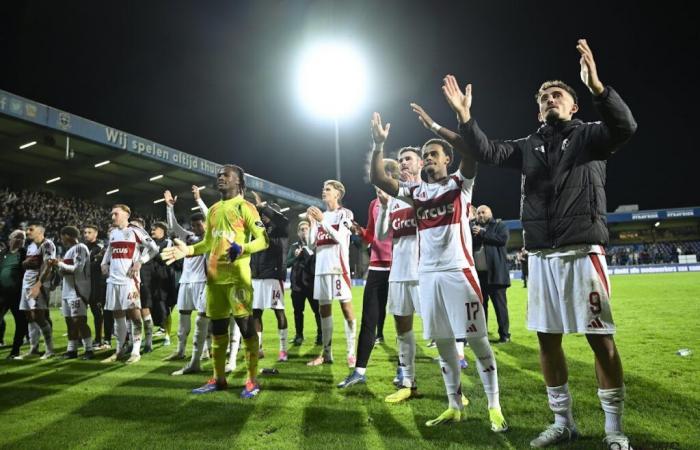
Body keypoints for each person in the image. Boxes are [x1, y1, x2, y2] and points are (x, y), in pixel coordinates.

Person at [442, 39, 637, 448]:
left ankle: (614, 429)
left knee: (600, 339)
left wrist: (598, 88)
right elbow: (487, 150)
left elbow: (626, 127)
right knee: (548, 340)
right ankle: (563, 421)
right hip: (542, 256)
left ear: (573, 105)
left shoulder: (590, 137)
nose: (551, 99)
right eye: (545, 97)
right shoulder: (529, 146)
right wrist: (465, 119)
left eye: (558, 95)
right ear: (539, 110)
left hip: (583, 251)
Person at [370, 111, 507, 432]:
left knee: (477, 341)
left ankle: (494, 406)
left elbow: (471, 149)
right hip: (428, 276)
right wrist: (378, 145)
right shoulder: (415, 193)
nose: (429, 159)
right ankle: (453, 405)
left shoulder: (461, 184)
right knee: (444, 345)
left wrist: (435, 127)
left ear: (447, 159)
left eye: (434, 155)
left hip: (459, 271)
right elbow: (379, 179)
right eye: (426, 155)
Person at [161, 164, 269, 399]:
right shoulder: (213, 210)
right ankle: (219, 378)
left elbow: (263, 240)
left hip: (238, 280)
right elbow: (208, 244)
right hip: (214, 281)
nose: (220, 177)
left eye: (225, 175)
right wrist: (187, 251)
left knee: (246, 328)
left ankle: (252, 380)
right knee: (216, 330)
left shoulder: (245, 207)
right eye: (218, 175)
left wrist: (243, 248)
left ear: (238, 181)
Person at [337, 160, 398, 389]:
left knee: (404, 322)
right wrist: (359, 231)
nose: (376, 183)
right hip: (376, 268)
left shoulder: (405, 201)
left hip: (399, 268)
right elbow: (371, 237)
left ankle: (403, 371)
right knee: (369, 320)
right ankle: (359, 372)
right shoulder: (373, 204)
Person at [376, 145, 424, 403]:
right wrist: (384, 206)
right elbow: (383, 235)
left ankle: (454, 390)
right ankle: (409, 383)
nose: (403, 163)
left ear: (419, 164)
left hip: (424, 272)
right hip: (398, 273)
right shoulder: (393, 199)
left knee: (439, 333)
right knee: (402, 330)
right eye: (401, 160)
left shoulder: (428, 192)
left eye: (409, 159)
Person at [305, 180, 357, 368]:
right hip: (321, 269)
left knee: (346, 308)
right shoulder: (322, 216)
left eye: (328, 189)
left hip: (338, 268)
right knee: (324, 310)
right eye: (323, 188)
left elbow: (341, 239)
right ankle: (327, 354)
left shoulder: (345, 214)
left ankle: (351, 353)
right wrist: (312, 224)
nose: (324, 191)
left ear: (337, 194)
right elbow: (312, 244)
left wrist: (322, 221)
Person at [100, 204, 160, 364]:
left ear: (127, 214)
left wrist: (140, 261)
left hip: (129, 280)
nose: (113, 217)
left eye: (116, 214)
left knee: (134, 315)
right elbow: (109, 250)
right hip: (113, 280)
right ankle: (119, 351)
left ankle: (135, 351)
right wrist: (104, 263)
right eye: (112, 214)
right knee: (117, 316)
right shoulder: (113, 233)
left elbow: (154, 248)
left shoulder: (136, 231)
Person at [163, 187, 209, 368]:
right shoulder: (189, 237)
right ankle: (180, 350)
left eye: (200, 225)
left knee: (203, 318)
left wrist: (199, 200)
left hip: (202, 281)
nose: (196, 228)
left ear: (206, 224)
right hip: (186, 281)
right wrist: (169, 208)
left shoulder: (211, 238)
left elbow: (211, 218)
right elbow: (173, 226)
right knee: (183, 315)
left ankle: (205, 349)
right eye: (194, 225)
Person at [250, 192, 290, 362]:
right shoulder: (257, 230)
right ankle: (258, 348)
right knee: (255, 313)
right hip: (257, 277)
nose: (264, 216)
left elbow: (282, 220)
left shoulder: (281, 230)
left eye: (267, 213)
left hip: (274, 276)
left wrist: (263, 206)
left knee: (279, 312)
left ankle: (283, 350)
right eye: (263, 214)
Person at [51, 226, 93, 359]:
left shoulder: (80, 248)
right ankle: (72, 350)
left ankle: (89, 350)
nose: (61, 239)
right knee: (69, 322)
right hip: (67, 290)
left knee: (79, 321)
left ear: (67, 235)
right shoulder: (69, 250)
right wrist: (60, 267)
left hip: (77, 290)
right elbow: (65, 272)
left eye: (61, 236)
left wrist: (59, 264)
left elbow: (77, 269)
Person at [16, 221, 56, 360]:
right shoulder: (31, 246)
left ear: (40, 231)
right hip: (26, 284)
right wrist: (25, 263)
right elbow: (27, 264)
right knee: (29, 317)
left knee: (39, 316)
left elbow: (48, 267)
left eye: (31, 229)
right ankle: (33, 349)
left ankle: (50, 350)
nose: (27, 232)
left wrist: (38, 285)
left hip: (38, 284)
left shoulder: (47, 244)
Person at [472, 205, 511, 343]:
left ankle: (504, 335)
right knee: (481, 308)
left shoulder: (500, 226)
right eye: (478, 213)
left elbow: (501, 240)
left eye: (483, 212)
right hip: (480, 275)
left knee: (500, 307)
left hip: (496, 274)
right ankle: (483, 335)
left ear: (490, 213)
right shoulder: (473, 229)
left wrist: (482, 233)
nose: (480, 215)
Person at [286, 220, 321, 346]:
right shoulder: (294, 246)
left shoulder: (316, 245)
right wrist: (295, 256)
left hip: (312, 284)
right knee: (298, 312)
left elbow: (318, 262)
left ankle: (320, 336)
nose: (304, 231)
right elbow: (287, 264)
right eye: (302, 229)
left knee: (317, 311)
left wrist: (307, 253)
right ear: (298, 233)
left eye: (306, 229)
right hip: (297, 285)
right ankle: (299, 336)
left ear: (310, 231)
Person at [0, 230, 28, 358]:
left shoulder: (24, 253)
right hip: (2, 293)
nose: (20, 240)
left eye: (22, 238)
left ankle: (15, 350)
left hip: (17, 293)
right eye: (17, 237)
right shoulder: (3, 253)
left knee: (21, 321)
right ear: (10, 238)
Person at [83, 225, 111, 349]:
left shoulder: (100, 248)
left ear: (96, 234)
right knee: (92, 313)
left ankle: (101, 338)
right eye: (84, 232)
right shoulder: (83, 247)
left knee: (101, 313)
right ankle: (85, 338)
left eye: (89, 232)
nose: (86, 234)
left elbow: (95, 266)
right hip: (86, 284)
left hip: (98, 285)